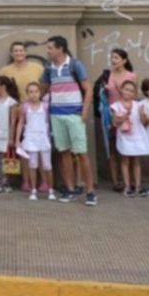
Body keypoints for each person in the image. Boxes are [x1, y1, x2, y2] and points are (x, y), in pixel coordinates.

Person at [41, 36, 96, 206]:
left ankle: (90, 191)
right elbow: (43, 87)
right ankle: (70, 188)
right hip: (56, 114)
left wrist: (84, 112)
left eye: (50, 48)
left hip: (74, 114)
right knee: (64, 152)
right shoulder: (48, 68)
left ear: (61, 48)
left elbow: (88, 89)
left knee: (81, 153)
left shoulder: (75, 65)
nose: (48, 51)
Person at [99, 49, 137, 191]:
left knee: (129, 149)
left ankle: (131, 180)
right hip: (112, 114)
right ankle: (116, 182)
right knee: (113, 149)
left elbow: (134, 95)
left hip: (128, 114)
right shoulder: (108, 75)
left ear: (124, 60)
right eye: (112, 57)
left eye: (116, 57)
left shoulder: (131, 75)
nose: (113, 60)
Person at [15, 83, 53, 201]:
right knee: (32, 165)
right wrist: (17, 140)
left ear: (40, 93)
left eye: (36, 91)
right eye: (30, 92)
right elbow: (21, 123)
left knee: (47, 165)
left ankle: (50, 189)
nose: (33, 94)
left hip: (43, 137)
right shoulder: (25, 107)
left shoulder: (45, 106)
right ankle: (33, 190)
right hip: (31, 138)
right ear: (27, 94)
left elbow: (49, 122)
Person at [111, 81, 146, 196]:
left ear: (134, 93)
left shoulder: (138, 105)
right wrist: (122, 118)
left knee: (136, 161)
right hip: (124, 137)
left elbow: (144, 122)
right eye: (126, 89)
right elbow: (115, 123)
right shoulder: (116, 105)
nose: (128, 92)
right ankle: (127, 186)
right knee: (125, 160)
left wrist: (142, 114)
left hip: (137, 136)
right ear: (121, 90)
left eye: (131, 91)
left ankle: (138, 185)